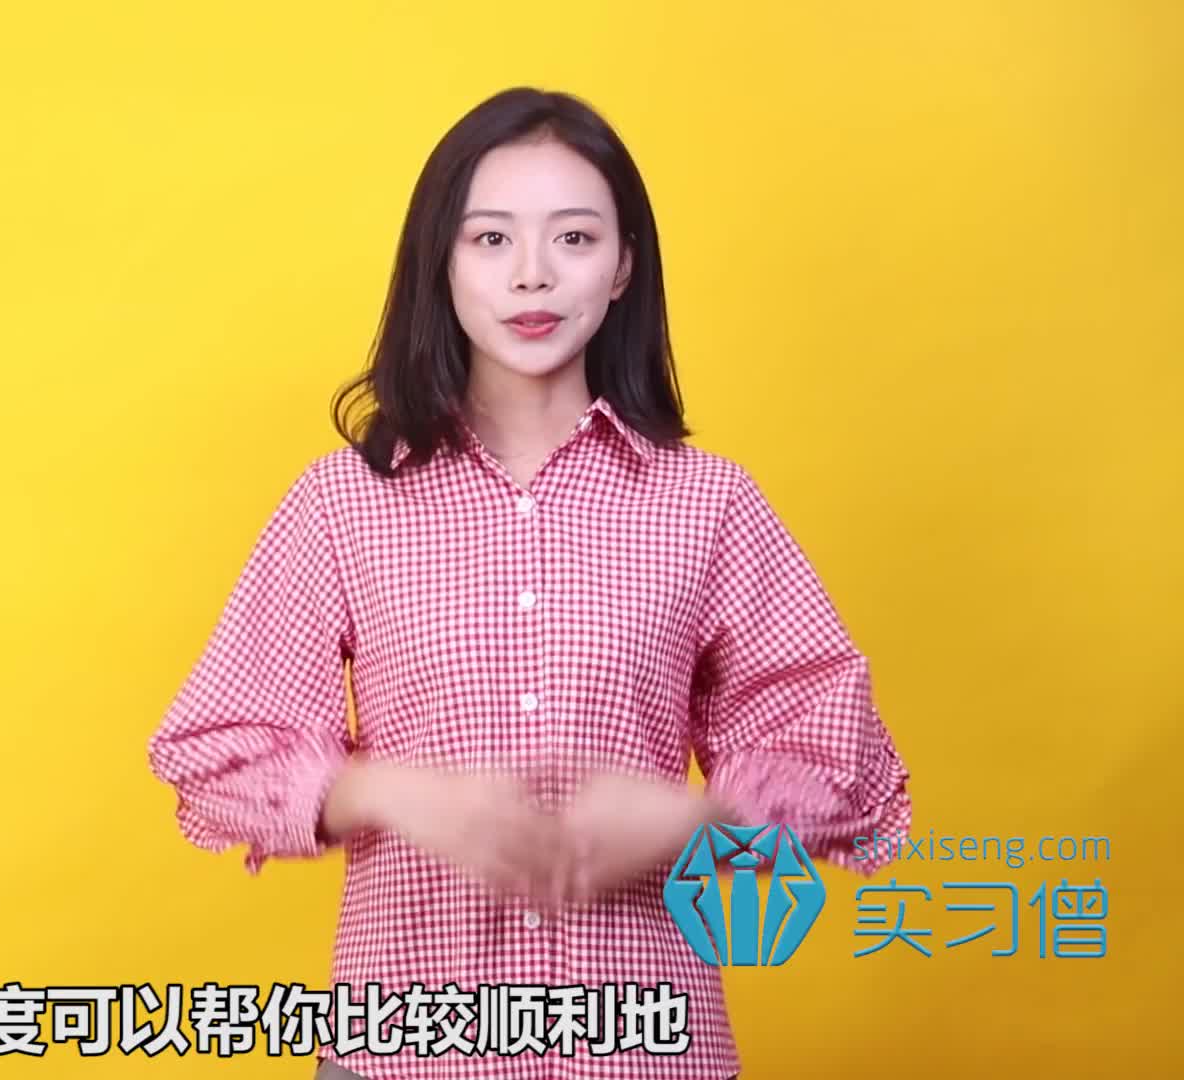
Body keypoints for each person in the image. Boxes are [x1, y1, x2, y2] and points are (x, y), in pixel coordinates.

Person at [145, 87, 913, 1080]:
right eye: (492, 238)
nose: (533, 274)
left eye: (575, 238)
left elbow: (846, 769)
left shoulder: (710, 502)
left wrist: (698, 819)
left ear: (624, 265)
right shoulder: (344, 502)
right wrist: (384, 790)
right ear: (442, 262)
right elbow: (216, 753)